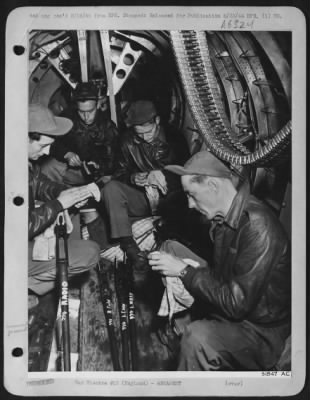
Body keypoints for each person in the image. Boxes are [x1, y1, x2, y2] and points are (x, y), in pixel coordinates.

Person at [148, 150, 291, 371]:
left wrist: (185, 272)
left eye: (192, 195)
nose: (190, 204)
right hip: (231, 293)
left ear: (213, 187)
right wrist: (184, 269)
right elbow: (221, 275)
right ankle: (179, 331)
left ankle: (190, 347)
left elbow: (236, 305)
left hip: (259, 331)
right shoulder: (224, 216)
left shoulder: (258, 226)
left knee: (197, 339)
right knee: (170, 249)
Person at [101, 100, 189, 272]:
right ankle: (130, 248)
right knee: (110, 188)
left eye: (148, 132)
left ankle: (170, 244)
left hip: (170, 198)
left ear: (157, 121)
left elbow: (188, 173)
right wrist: (134, 178)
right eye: (139, 134)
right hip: (142, 198)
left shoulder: (174, 138)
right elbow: (118, 172)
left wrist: (164, 176)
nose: (144, 137)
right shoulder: (126, 141)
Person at [28, 103, 100, 298]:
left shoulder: (25, 162)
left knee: (70, 210)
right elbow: (21, 228)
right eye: (42, 146)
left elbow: (41, 185)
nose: (46, 152)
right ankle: (25, 286)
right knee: (91, 253)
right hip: (11, 251)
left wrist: (67, 194)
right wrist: (59, 204)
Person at [41, 81, 118, 186]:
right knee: (48, 167)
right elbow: (51, 142)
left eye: (91, 111)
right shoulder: (67, 118)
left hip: (96, 176)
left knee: (110, 182)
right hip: (71, 170)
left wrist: (98, 166)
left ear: (98, 105)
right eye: (81, 112)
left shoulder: (108, 127)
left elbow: (114, 162)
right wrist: (66, 154)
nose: (86, 117)